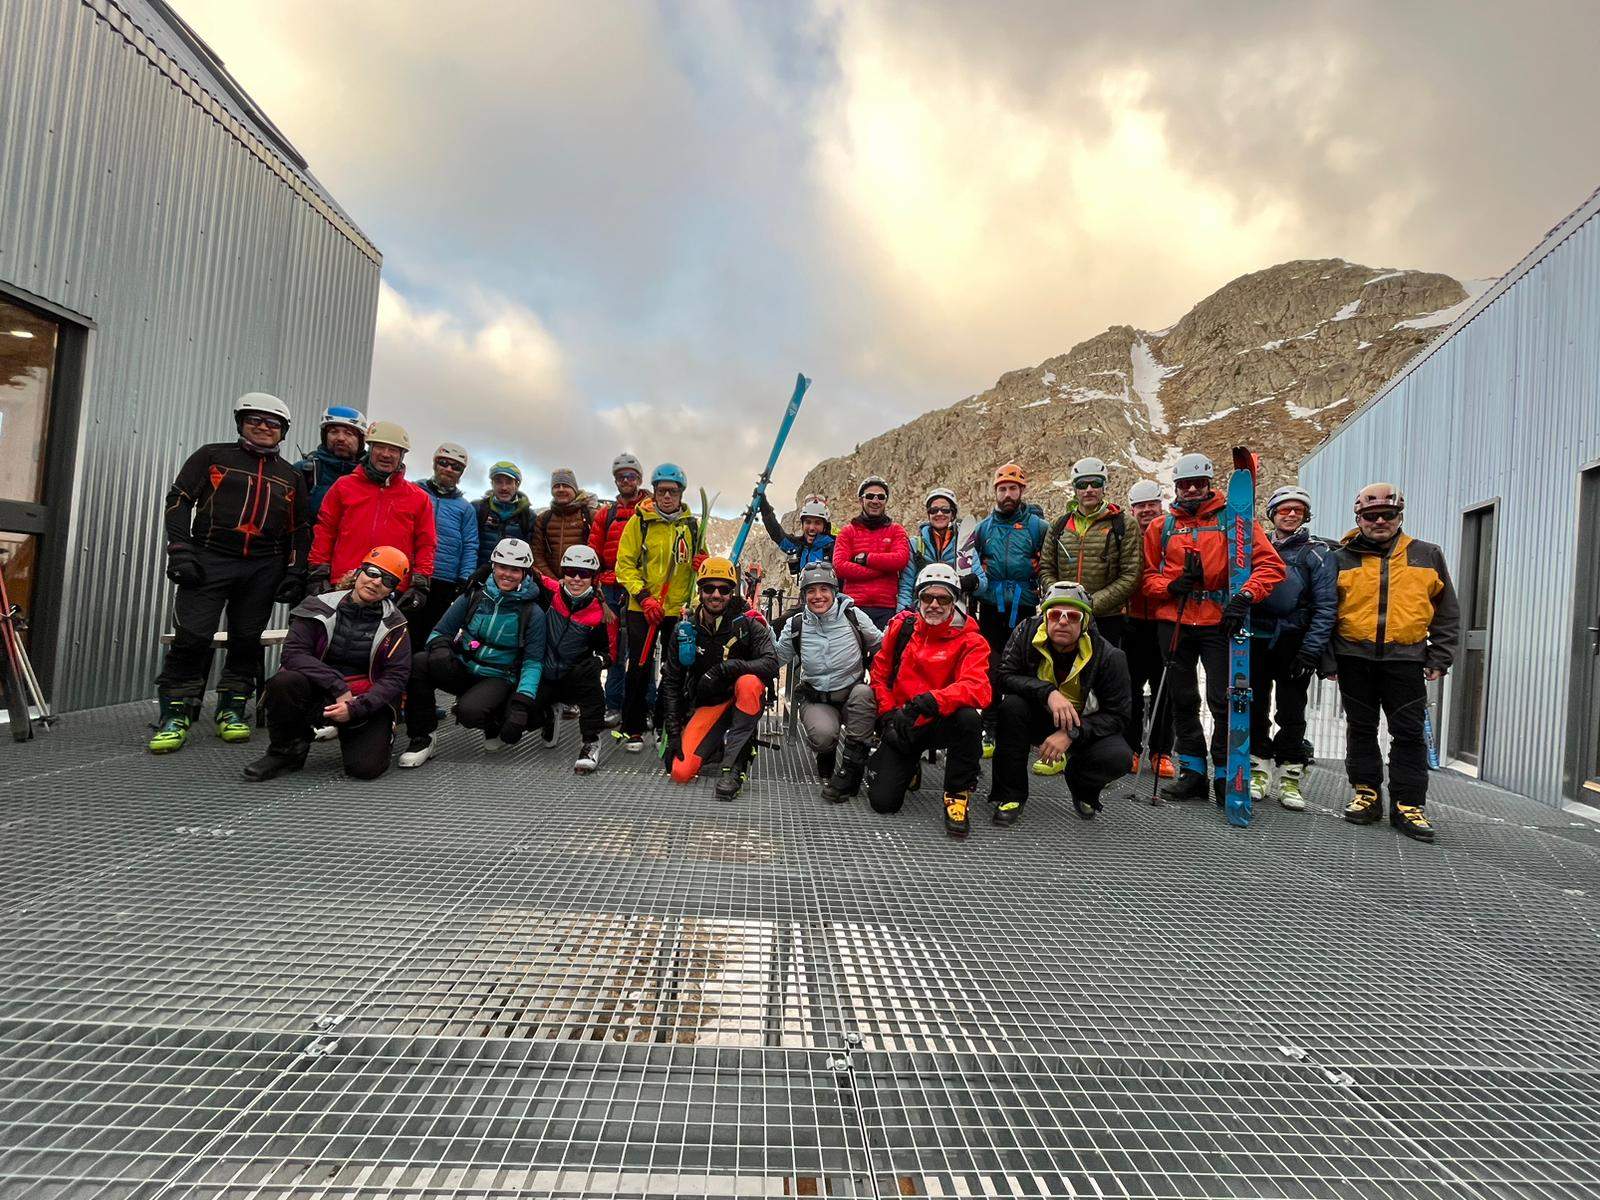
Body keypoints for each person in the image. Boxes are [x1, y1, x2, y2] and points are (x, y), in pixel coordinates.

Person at [150, 393, 310, 754]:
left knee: (246, 638)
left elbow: (299, 528)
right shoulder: (213, 455)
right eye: (255, 419)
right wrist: (181, 550)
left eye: (273, 423)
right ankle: (175, 713)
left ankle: (232, 709)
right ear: (241, 422)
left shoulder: (290, 475)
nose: (263, 427)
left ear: (283, 432)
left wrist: (294, 569)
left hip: (263, 565)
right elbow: (178, 500)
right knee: (192, 636)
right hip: (210, 557)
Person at [1140, 452, 1285, 803]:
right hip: (1174, 618)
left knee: (1223, 699)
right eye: (1184, 484)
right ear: (1175, 486)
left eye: (1198, 484)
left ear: (1208, 484)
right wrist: (1170, 587)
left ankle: (1224, 771)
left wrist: (1245, 595)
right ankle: (1192, 769)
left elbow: (1271, 566)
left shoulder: (1235, 520)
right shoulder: (1162, 527)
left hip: (1221, 619)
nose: (1191, 490)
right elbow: (1147, 578)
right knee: (1182, 697)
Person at [1327, 483, 1459, 842]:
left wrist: (1440, 655)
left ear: (1401, 516)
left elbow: (1446, 611)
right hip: (1354, 657)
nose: (1380, 521)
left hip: (1406, 659)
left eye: (1389, 514)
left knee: (1409, 734)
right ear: (1359, 518)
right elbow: (1326, 611)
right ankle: (1366, 795)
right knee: (1361, 729)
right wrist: (1329, 659)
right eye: (1371, 516)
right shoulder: (1342, 557)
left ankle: (1408, 805)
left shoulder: (1427, 554)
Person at [242, 545, 411, 781]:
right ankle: (286, 752)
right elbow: (293, 654)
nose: (375, 582)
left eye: (388, 580)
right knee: (285, 681)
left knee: (365, 769)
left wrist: (355, 708)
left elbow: (396, 678)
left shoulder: (396, 625)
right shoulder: (319, 605)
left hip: (364, 700)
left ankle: (369, 733)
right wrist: (338, 686)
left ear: (392, 590)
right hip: (319, 690)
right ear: (358, 572)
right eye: (372, 572)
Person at [990, 581, 1134, 825]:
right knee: (1011, 708)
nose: (1063, 621)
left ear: (1085, 621)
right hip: (1038, 713)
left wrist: (1072, 733)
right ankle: (1010, 795)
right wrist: (1047, 692)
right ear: (1045, 617)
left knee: (1120, 756)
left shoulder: (1110, 656)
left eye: (1073, 616)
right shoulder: (1026, 632)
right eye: (1055, 614)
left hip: (1084, 723)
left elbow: (1119, 716)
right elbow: (1003, 677)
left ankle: (1082, 787)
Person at [867, 563, 992, 838]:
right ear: (918, 599)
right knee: (883, 802)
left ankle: (957, 793)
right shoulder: (901, 628)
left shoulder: (972, 639)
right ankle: (910, 765)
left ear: (954, 601)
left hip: (942, 721)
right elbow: (879, 674)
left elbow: (978, 688)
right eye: (927, 597)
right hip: (904, 721)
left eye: (943, 598)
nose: (934, 604)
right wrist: (887, 715)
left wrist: (930, 701)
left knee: (970, 718)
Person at [397, 538, 547, 767]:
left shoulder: (533, 612)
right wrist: (439, 649)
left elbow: (533, 662)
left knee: (470, 713)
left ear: (525, 572)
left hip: (498, 676)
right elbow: (439, 631)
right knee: (420, 662)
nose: (507, 574)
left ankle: (496, 720)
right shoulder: (474, 595)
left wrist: (521, 705)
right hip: (463, 665)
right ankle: (422, 737)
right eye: (502, 566)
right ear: (493, 566)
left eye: (515, 569)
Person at [1248, 485, 1337, 810]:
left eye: (1297, 510)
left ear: (1305, 515)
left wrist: (1311, 650)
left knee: (1291, 711)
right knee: (1255, 708)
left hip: (1294, 640)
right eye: (1284, 509)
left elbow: (1326, 605)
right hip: (1256, 638)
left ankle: (1290, 777)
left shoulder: (1317, 552)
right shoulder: (1258, 548)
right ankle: (1258, 771)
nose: (1290, 514)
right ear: (1273, 514)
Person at [660, 557, 779, 800]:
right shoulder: (685, 630)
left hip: (741, 698)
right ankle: (714, 746)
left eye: (724, 589)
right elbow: (672, 681)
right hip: (709, 703)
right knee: (680, 772)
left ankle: (734, 766)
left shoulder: (748, 625)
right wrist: (673, 732)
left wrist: (728, 669)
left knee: (749, 682)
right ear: (699, 590)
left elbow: (771, 664)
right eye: (709, 588)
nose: (716, 594)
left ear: (732, 592)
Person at [775, 560, 884, 801]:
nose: (818, 596)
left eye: (824, 589)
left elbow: (881, 644)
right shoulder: (796, 625)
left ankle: (851, 769)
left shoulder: (853, 616)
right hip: (817, 698)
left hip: (851, 695)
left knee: (865, 695)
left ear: (834, 591)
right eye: (811, 590)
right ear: (803, 595)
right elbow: (775, 659)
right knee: (823, 737)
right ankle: (827, 750)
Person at [614, 463, 701, 752]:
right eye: (661, 491)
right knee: (639, 666)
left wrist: (703, 566)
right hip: (644, 608)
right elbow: (624, 565)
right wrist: (643, 597)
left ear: (680, 494)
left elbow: (699, 562)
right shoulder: (640, 522)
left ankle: (665, 722)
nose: (666, 497)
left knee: (674, 668)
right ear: (653, 492)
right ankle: (633, 727)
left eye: (672, 492)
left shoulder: (689, 525)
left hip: (676, 609)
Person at [307, 420, 436, 616]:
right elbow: (325, 530)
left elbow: (426, 543)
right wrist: (318, 572)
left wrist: (420, 583)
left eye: (394, 450)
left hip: (391, 587)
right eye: (380, 447)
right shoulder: (344, 486)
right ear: (369, 448)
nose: (386, 454)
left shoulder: (418, 498)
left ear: (402, 455)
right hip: (343, 583)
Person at [969, 463, 1049, 756]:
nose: (1007, 494)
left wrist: (1043, 580)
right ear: (996, 492)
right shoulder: (983, 528)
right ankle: (989, 728)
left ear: (1021, 491)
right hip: (991, 606)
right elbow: (970, 563)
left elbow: (1050, 564)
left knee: (1023, 667)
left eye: (1012, 488)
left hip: (1025, 606)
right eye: (1002, 489)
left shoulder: (1038, 527)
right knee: (990, 667)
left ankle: (1017, 728)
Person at [1039, 457, 1141, 646]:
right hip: (1066, 616)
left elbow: (1131, 574)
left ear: (1104, 486)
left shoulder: (1124, 524)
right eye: (1082, 484)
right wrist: (1063, 600)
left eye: (1096, 483)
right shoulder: (1058, 525)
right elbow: (1046, 568)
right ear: (1075, 489)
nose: (1089, 489)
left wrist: (1090, 604)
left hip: (1108, 618)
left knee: (1103, 672)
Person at [531, 544, 610, 774]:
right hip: (545, 672)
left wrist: (597, 662)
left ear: (592, 577)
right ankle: (548, 713)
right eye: (570, 571)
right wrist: (482, 572)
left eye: (584, 573)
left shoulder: (601, 612)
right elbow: (526, 570)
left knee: (592, 688)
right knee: (523, 713)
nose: (576, 578)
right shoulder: (551, 592)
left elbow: (609, 654)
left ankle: (590, 741)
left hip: (574, 677)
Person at [589, 453, 652, 724]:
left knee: (643, 651)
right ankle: (613, 704)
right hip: (611, 588)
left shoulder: (650, 510)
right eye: (621, 476)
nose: (626, 480)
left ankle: (646, 706)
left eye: (631, 476)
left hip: (638, 587)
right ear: (615, 481)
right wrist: (596, 585)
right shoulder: (606, 514)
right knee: (614, 650)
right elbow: (594, 551)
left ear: (639, 479)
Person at [1121, 479, 1177, 779]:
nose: (1146, 510)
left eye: (1150, 505)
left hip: (1164, 620)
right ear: (1133, 509)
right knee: (1129, 689)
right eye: (1140, 506)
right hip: (1131, 621)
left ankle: (1161, 752)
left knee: (1164, 688)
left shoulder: (1170, 532)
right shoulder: (1129, 535)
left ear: (1160, 505)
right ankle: (1130, 749)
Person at [413, 442, 478, 644]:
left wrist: (465, 577)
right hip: (412, 574)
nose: (449, 469)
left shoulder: (465, 508)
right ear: (435, 463)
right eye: (444, 463)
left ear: (461, 473)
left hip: (445, 579)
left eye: (456, 467)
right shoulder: (414, 491)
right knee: (404, 626)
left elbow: (470, 544)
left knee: (432, 630)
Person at [833, 475, 911, 629]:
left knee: (883, 653)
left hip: (886, 608)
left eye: (881, 497)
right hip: (854, 606)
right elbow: (840, 567)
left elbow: (900, 560)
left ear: (886, 501)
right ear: (861, 500)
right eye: (870, 496)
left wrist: (866, 558)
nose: (875, 501)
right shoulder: (847, 532)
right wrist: (883, 570)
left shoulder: (896, 530)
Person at [898, 488, 984, 610]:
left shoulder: (965, 545)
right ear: (928, 514)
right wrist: (903, 615)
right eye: (933, 510)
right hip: (922, 612)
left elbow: (983, 584)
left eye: (945, 510)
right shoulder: (915, 545)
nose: (939, 513)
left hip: (954, 613)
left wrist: (974, 583)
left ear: (953, 514)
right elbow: (906, 586)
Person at [293, 405, 365, 517]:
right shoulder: (304, 471)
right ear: (324, 436)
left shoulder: (369, 477)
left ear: (361, 441)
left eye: (348, 433)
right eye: (334, 432)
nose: (341, 438)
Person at [531, 468, 597, 579]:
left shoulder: (590, 516)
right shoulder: (543, 519)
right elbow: (537, 555)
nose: (561, 489)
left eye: (566, 485)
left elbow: (598, 553)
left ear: (575, 489)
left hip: (581, 582)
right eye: (557, 486)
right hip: (550, 586)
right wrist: (554, 582)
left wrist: (581, 579)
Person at [473, 461, 537, 569]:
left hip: (509, 578)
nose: (504, 488)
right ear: (492, 484)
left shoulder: (528, 516)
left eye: (508, 482)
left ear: (517, 485)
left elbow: (532, 553)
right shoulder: (478, 509)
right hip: (478, 576)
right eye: (498, 482)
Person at [759, 493, 836, 576]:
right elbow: (776, 533)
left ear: (825, 527)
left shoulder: (836, 547)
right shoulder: (798, 546)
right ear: (802, 525)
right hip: (805, 588)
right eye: (808, 522)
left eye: (817, 523)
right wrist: (765, 509)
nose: (812, 528)